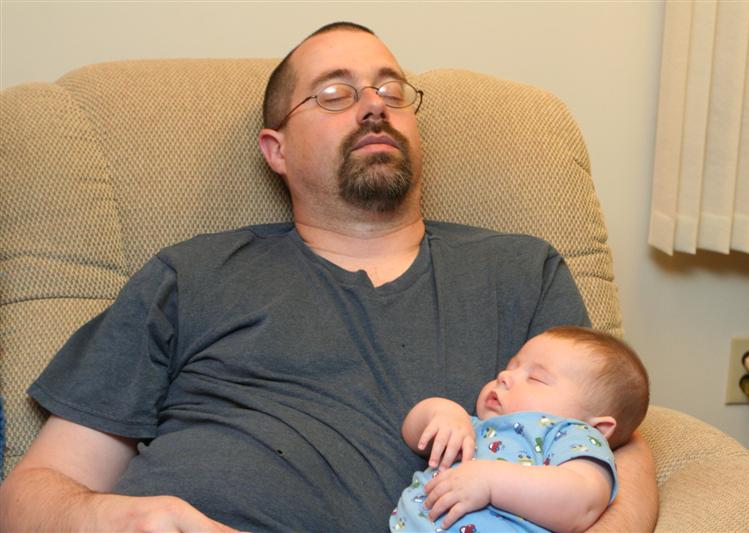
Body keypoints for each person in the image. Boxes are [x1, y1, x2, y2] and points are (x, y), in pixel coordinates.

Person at [0, 22, 658, 532]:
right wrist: (120, 518)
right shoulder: (190, 274)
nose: (373, 107)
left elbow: (617, 446)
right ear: (277, 150)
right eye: (335, 94)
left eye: (391, 90)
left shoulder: (519, 271)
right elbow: (33, 490)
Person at [390, 326, 649, 532]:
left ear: (597, 428)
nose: (504, 376)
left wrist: (491, 483)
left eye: (535, 378)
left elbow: (583, 504)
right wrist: (443, 412)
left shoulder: (570, 436)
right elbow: (414, 436)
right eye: (511, 366)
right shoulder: (471, 427)